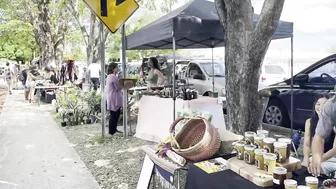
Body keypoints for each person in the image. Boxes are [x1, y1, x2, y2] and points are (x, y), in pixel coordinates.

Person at [303, 94, 336, 174]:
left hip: (332, 158)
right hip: (318, 156)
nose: (321, 107)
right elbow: (311, 142)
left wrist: (319, 160)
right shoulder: (331, 106)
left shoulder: (333, 123)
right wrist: (307, 160)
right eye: (318, 104)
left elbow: (334, 150)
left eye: (324, 104)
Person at [106, 63, 122, 135]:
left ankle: (113, 129)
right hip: (114, 96)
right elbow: (118, 87)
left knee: (114, 113)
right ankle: (112, 131)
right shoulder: (113, 77)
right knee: (115, 114)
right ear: (113, 69)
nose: (118, 69)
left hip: (111, 96)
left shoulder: (109, 76)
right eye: (117, 67)